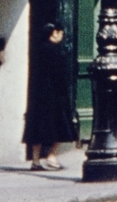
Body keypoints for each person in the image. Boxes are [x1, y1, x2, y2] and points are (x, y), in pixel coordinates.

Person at [23, 22, 77, 171]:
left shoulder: (38, 49)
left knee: (37, 128)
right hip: (53, 95)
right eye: (60, 32)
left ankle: (35, 160)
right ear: (54, 33)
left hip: (37, 94)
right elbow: (59, 75)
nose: (62, 35)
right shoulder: (55, 51)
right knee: (60, 126)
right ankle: (51, 155)